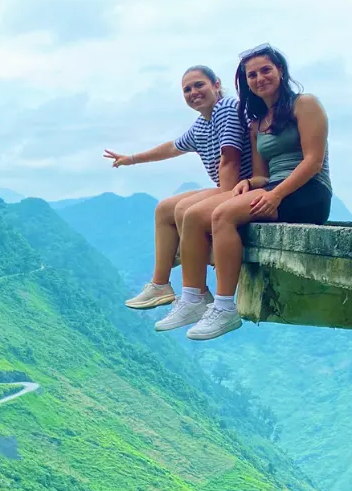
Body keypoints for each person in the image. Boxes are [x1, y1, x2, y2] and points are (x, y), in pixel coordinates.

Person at [176, 44, 331, 341]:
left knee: (223, 215)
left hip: (309, 191)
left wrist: (276, 195)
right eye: (252, 75)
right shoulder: (258, 122)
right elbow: (262, 174)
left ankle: (225, 307)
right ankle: (193, 298)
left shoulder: (305, 104)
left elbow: (313, 161)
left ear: (280, 71)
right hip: (274, 188)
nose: (260, 78)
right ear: (245, 82)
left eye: (266, 70)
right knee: (194, 216)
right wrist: (250, 183)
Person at [105, 66, 253, 316]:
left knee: (186, 210)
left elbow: (229, 159)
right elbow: (173, 147)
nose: (193, 92)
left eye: (199, 85)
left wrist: (223, 199)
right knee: (164, 209)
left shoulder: (227, 108)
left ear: (216, 84)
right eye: (187, 89)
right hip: (228, 188)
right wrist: (131, 159)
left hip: (243, 187)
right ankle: (160, 285)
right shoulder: (201, 125)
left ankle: (197, 293)